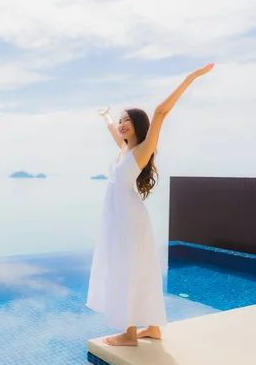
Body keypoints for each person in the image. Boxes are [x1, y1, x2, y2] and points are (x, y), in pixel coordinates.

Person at [86, 63, 215, 346]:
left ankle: (130, 333)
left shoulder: (143, 150)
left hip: (129, 219)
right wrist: (107, 116)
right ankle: (153, 328)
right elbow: (112, 130)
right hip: (119, 216)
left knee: (129, 268)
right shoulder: (123, 149)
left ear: (138, 126)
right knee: (139, 267)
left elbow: (160, 112)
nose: (121, 125)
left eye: (126, 121)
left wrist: (189, 78)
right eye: (120, 121)